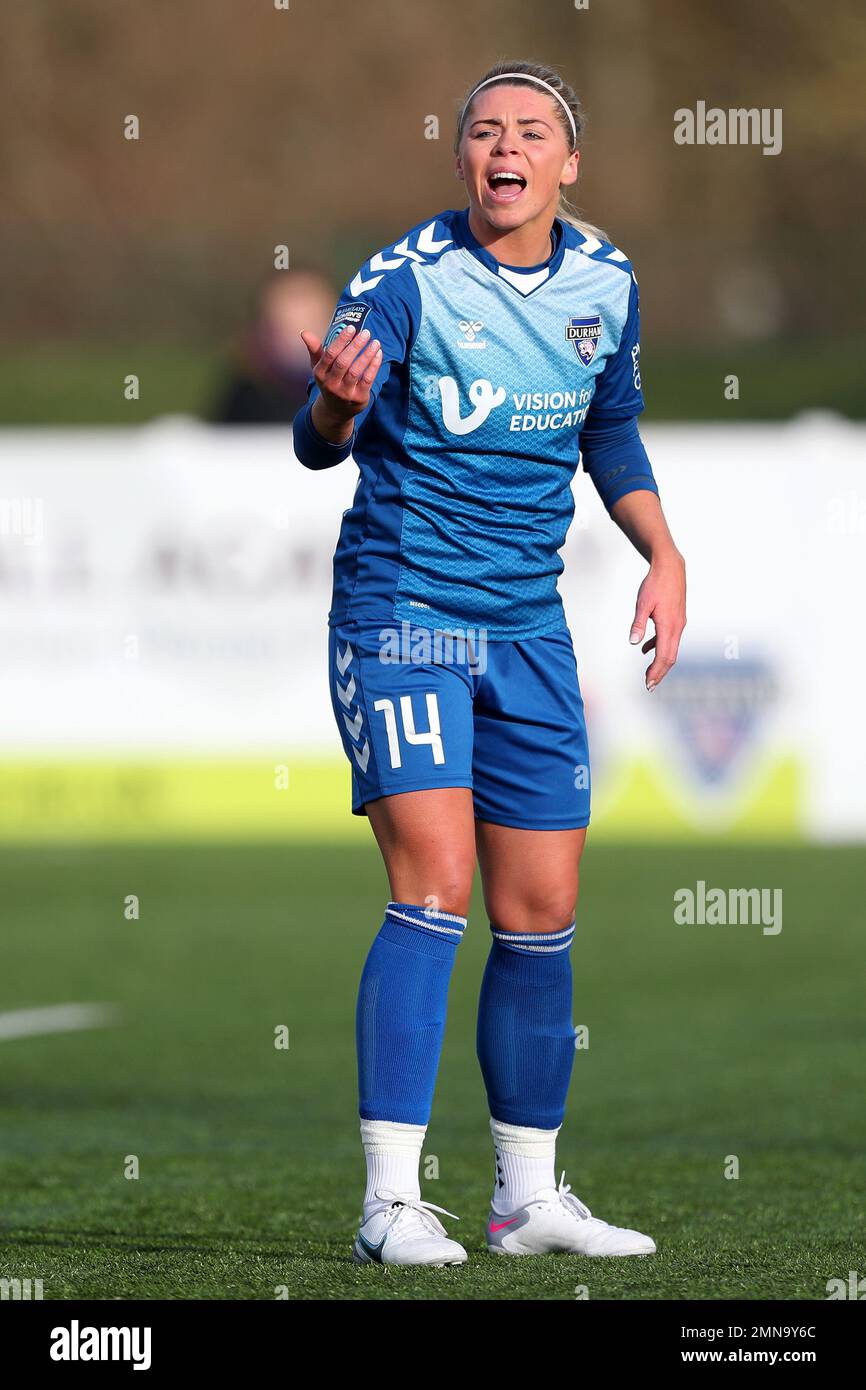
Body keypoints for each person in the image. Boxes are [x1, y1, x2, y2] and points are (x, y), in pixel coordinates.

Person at [293, 59, 686, 1267]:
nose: (503, 147)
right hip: (404, 616)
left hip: (527, 629)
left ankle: (524, 1200)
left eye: (528, 131)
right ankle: (388, 1204)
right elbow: (317, 440)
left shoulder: (606, 282)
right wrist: (336, 408)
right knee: (435, 882)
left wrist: (662, 552)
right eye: (482, 131)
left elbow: (609, 428)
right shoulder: (403, 279)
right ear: (460, 155)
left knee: (541, 908)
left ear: (568, 161)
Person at [212, 268, 334, 424]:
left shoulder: (353, 388)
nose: (303, 344)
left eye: (313, 320)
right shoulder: (246, 394)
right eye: (287, 329)